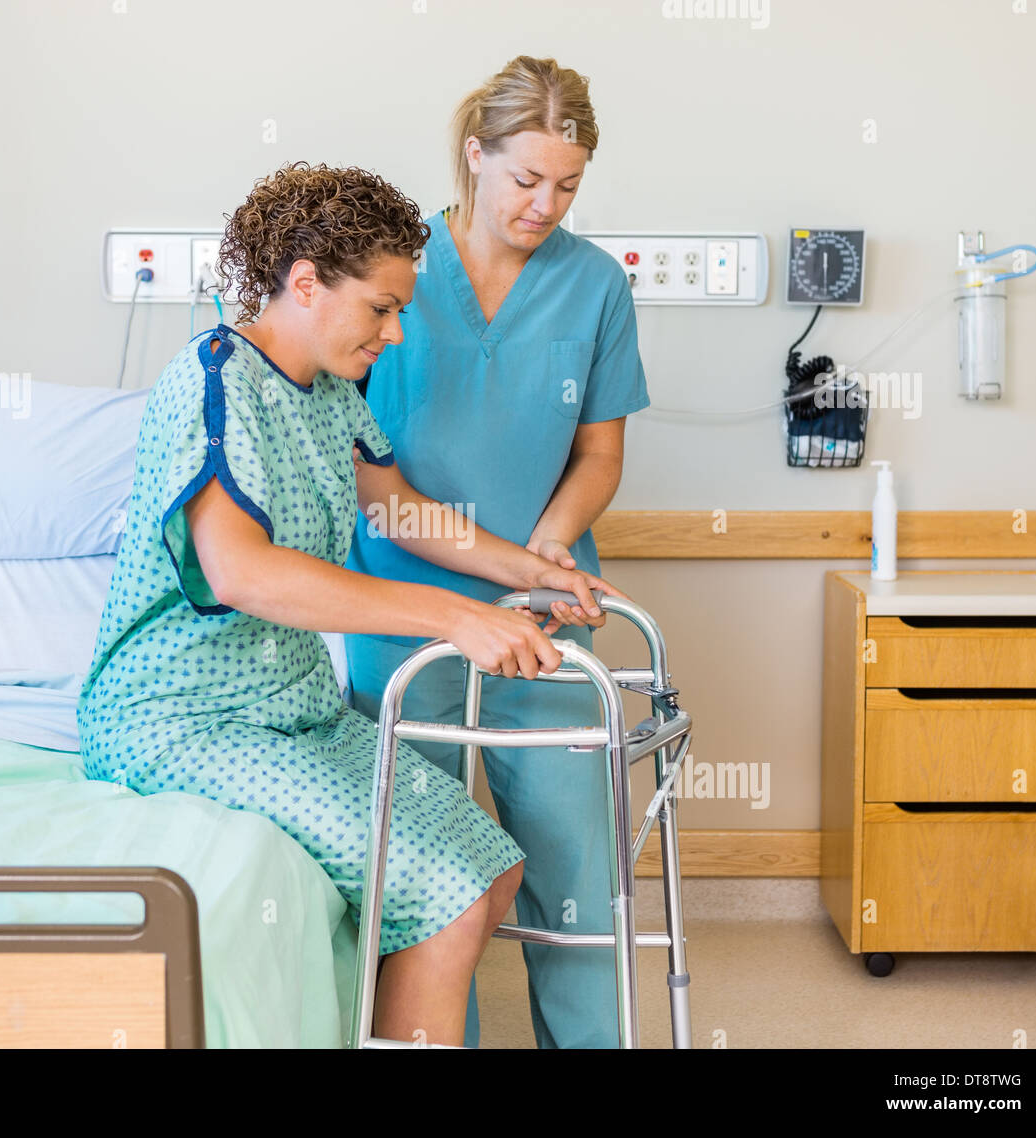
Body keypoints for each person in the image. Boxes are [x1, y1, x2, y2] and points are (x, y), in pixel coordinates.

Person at [77, 160, 627, 1047]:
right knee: (446, 900)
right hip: (185, 719)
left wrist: (532, 570)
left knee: (489, 871)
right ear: (304, 285)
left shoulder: (334, 398)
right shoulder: (213, 381)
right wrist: (453, 617)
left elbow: (397, 508)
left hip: (295, 714)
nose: (399, 333)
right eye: (382, 308)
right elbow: (238, 573)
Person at [344, 57, 651, 1048]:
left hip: (545, 618)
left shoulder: (595, 285)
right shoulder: (394, 278)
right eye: (525, 179)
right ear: (475, 156)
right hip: (404, 615)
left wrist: (550, 551)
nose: (544, 204)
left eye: (567, 184)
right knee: (427, 884)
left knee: (575, 872)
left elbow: (600, 451)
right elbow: (380, 496)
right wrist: (511, 567)